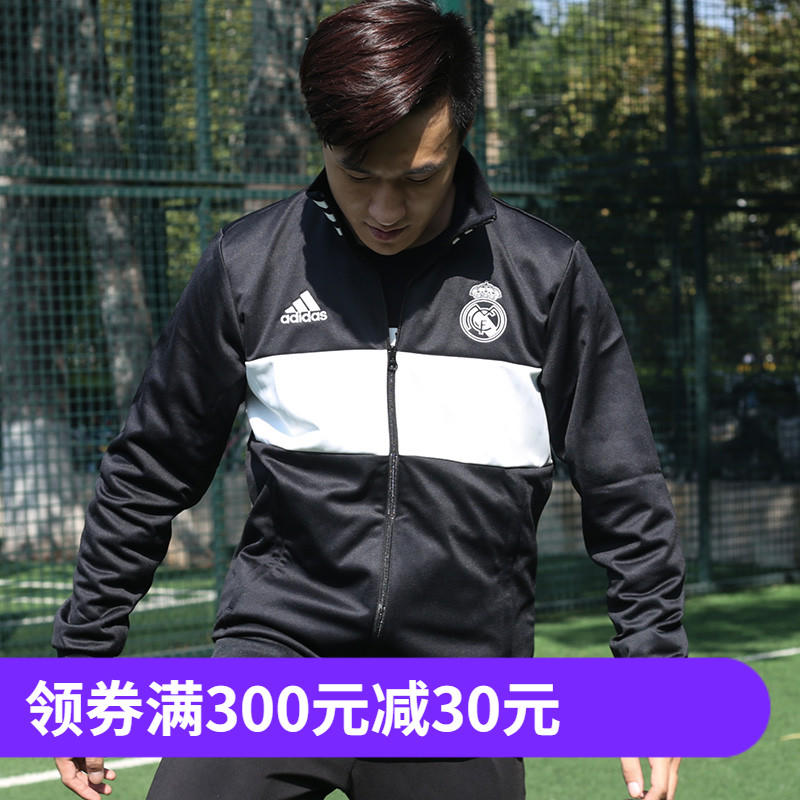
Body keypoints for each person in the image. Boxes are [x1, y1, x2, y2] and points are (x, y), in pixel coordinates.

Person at [52, 1, 687, 798]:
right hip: (278, 663)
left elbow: (624, 486)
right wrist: (82, 666)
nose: (385, 210)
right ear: (322, 138)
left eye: (418, 176)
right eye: (357, 171)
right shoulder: (248, 268)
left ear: (460, 139)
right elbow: (151, 469)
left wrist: (651, 674)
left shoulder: (546, 277)